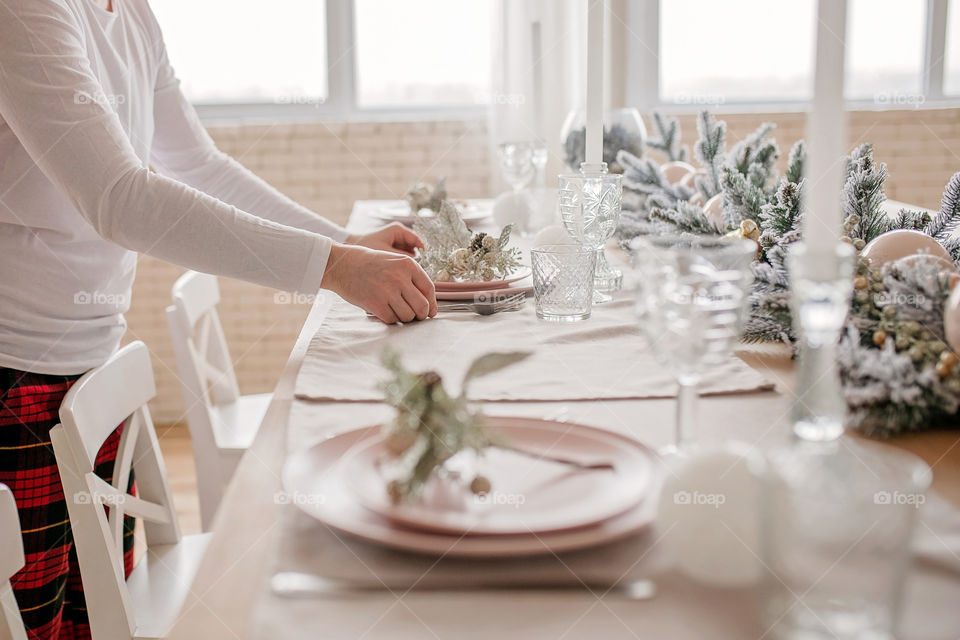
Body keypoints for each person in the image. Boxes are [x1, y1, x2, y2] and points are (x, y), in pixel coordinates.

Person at [0, 0, 437, 637]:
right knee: (30, 621)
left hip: (91, 357)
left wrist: (344, 245)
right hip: (18, 366)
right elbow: (120, 198)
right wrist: (332, 265)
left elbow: (200, 166)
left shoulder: (133, 13)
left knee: (99, 613)